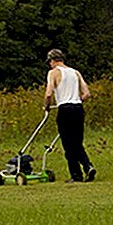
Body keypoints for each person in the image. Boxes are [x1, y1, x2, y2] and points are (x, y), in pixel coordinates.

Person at [44, 49, 96, 183]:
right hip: (78, 108)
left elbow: (49, 93)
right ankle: (88, 166)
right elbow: (86, 93)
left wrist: (47, 106)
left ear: (52, 61)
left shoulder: (53, 73)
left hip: (65, 109)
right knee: (77, 142)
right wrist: (76, 99)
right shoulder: (75, 72)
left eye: (50, 61)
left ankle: (76, 175)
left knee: (68, 143)